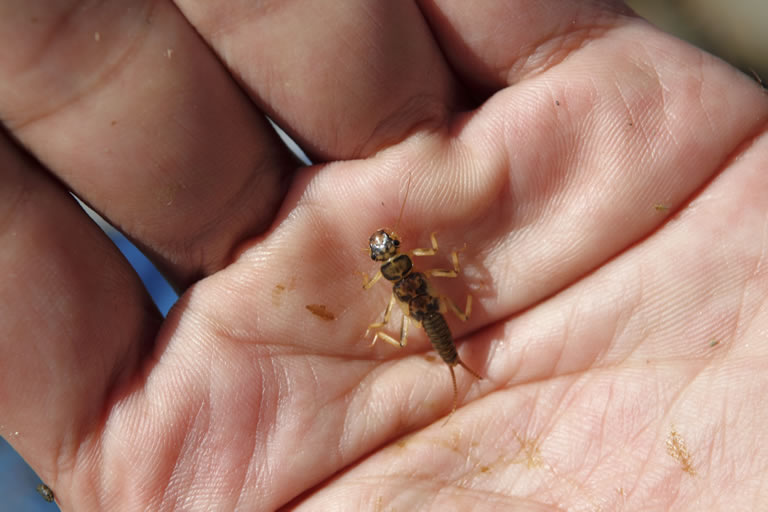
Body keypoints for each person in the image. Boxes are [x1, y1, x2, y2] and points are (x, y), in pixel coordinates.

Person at [1, 1, 767, 510]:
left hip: (428, 313)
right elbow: (415, 267)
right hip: (426, 313)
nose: (389, 252)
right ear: (393, 257)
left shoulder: (405, 267)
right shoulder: (407, 265)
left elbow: (415, 267)